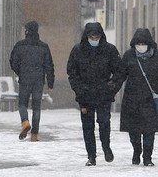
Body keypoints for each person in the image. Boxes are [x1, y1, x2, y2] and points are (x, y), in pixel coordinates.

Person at [66, 22, 122, 166]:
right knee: (88, 126)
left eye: (97, 36)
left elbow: (119, 72)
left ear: (101, 36)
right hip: (85, 95)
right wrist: (79, 89)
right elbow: (72, 73)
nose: (94, 39)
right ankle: (91, 156)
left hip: (104, 94)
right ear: (87, 36)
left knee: (104, 122)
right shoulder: (77, 51)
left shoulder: (109, 50)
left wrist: (112, 86)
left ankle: (106, 146)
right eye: (92, 36)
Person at [114, 28, 158, 167]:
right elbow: (120, 75)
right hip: (132, 99)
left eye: (143, 43)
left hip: (150, 100)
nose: (141, 46)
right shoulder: (129, 56)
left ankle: (147, 157)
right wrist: (111, 89)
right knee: (134, 130)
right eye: (138, 43)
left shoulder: (156, 56)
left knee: (149, 130)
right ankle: (136, 150)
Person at [9, 20, 55, 141]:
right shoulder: (44, 47)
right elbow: (49, 65)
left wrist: (20, 72)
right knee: (36, 106)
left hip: (25, 79)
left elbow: (13, 62)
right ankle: (34, 134)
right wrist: (50, 82)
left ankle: (25, 122)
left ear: (27, 31)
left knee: (22, 103)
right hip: (39, 80)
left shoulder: (20, 45)